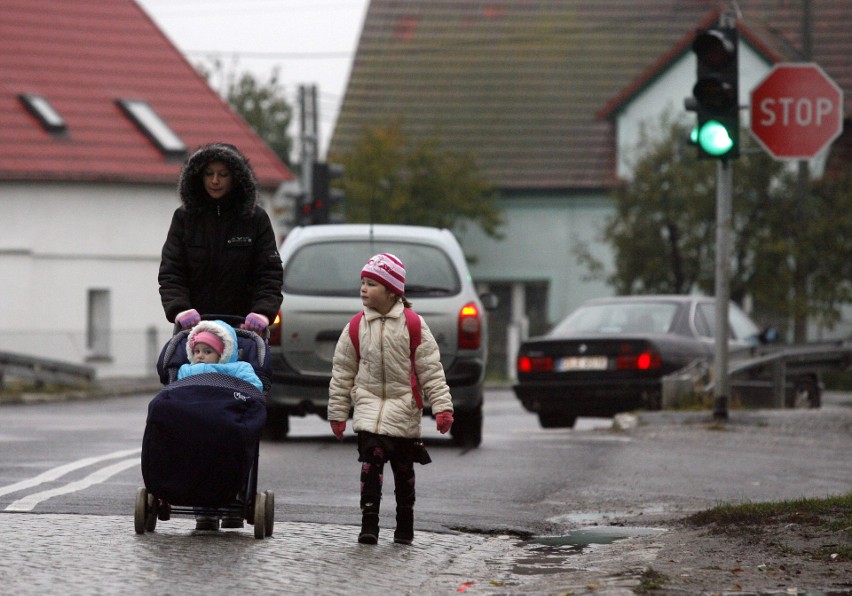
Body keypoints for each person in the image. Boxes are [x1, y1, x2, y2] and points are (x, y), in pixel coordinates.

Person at [327, 253, 454, 545]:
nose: (363, 289)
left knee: (403, 472)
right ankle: (368, 522)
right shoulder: (357, 326)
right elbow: (342, 372)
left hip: (404, 410)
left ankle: (404, 522)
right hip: (369, 409)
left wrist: (442, 407)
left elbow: (430, 371)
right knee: (370, 466)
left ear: (391, 290)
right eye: (362, 282)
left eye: (371, 283)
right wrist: (337, 413)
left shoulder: (413, 325)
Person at [158, 142, 283, 335]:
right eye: (209, 173)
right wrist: (180, 310)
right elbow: (171, 272)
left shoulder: (255, 219)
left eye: (223, 174)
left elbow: (269, 274)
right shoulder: (184, 219)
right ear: (199, 176)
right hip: (194, 331)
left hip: (244, 330)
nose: (215, 181)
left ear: (236, 178)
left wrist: (262, 313)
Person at [177, 319, 263, 392]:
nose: (200, 356)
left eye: (207, 352)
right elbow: (178, 391)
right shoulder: (186, 370)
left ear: (222, 354)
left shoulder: (239, 368)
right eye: (197, 351)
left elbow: (254, 388)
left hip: (227, 403)